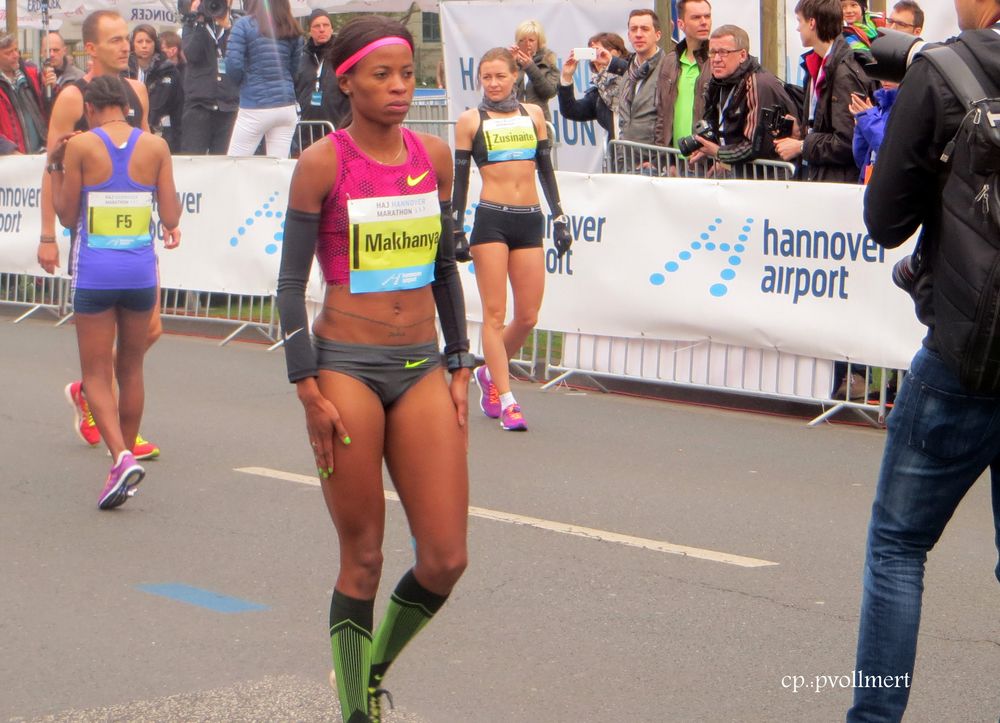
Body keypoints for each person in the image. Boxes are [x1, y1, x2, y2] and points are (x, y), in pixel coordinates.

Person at [275, 15, 474, 723]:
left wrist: (460, 362)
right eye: (382, 74)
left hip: (422, 366)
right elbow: (288, 282)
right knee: (363, 556)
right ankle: (358, 709)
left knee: (446, 556)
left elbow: (444, 265)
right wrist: (306, 386)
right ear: (346, 79)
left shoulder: (436, 158)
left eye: (408, 75)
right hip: (344, 369)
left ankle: (369, 665)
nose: (398, 88)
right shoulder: (322, 163)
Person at [847, 1, 1000, 720]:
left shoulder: (943, 70)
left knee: (898, 545)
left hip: (967, 354)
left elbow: (885, 221)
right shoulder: (937, 67)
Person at [47, 75, 180, 510]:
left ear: (89, 108)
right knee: (133, 369)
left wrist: (55, 163)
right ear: (126, 104)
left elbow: (67, 216)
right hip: (141, 272)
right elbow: (171, 212)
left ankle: (120, 456)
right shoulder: (155, 147)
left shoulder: (82, 147)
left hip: (95, 273)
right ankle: (123, 458)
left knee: (96, 374)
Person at [36, 10, 161, 461]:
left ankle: (91, 391)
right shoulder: (73, 97)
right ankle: (113, 426)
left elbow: (145, 152)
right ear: (90, 48)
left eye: (126, 38)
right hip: (91, 233)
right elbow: (51, 164)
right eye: (114, 40)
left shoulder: (139, 90)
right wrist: (48, 234)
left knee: (150, 329)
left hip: (138, 233)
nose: (125, 46)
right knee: (120, 337)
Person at [453, 47, 572, 431]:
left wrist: (560, 216)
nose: (493, 83)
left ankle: (489, 372)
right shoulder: (471, 120)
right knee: (494, 314)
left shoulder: (533, 115)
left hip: (529, 220)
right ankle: (507, 399)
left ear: (514, 77)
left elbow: (545, 170)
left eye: (499, 76)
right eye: (486, 77)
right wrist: (455, 227)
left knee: (528, 316)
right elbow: (461, 181)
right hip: (492, 221)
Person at [775, 0, 877, 183]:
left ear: (812, 23)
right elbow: (823, 126)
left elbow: (847, 142)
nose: (798, 28)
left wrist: (802, 146)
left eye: (800, 21)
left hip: (840, 183)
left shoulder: (844, 71)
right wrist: (801, 131)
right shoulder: (817, 63)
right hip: (821, 176)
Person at [688, 25, 799, 174]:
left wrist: (718, 153)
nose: (716, 59)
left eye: (723, 52)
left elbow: (755, 146)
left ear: (742, 55)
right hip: (741, 174)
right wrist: (709, 149)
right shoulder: (718, 81)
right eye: (712, 52)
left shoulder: (758, 83)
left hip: (768, 179)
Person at [225, 0, 303, 158]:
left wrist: (243, 84)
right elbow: (295, 68)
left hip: (255, 105)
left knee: (235, 162)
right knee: (278, 164)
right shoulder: (293, 27)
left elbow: (233, 64)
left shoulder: (244, 24)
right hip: (286, 105)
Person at [180, 0, 239, 155]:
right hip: (199, 106)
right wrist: (199, 21)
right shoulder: (191, 25)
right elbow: (192, 55)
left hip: (228, 106)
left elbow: (240, 56)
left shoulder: (237, 25)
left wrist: (228, 27)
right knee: (193, 159)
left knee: (224, 162)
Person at [654, 0, 712, 148]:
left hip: (706, 161)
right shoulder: (669, 61)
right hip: (674, 160)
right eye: (696, 17)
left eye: (707, 16)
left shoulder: (717, 61)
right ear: (681, 24)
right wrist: (663, 157)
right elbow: (661, 114)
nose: (704, 22)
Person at [294, 9, 349, 151]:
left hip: (337, 125)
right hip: (307, 129)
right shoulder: (301, 57)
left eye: (325, 25)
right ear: (310, 31)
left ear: (332, 28)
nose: (322, 29)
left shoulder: (342, 54)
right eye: (317, 26)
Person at [556, 31, 627, 138]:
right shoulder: (600, 95)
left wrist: (611, 62)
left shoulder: (633, 79)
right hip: (619, 152)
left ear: (616, 52)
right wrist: (566, 77)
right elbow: (571, 111)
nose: (597, 59)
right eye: (593, 55)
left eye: (599, 52)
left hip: (643, 151)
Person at [128, 25, 182, 153]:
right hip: (129, 129)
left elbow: (170, 103)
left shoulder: (168, 70)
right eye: (140, 42)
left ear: (155, 44)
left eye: (148, 41)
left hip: (161, 130)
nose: (144, 45)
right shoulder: (124, 69)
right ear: (133, 44)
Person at [0, 31, 47, 155]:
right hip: (10, 159)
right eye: (8, 53)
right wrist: (9, 150)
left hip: (39, 153)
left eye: (16, 49)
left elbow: (47, 109)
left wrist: (51, 89)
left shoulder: (32, 74)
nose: (15, 55)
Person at [510, 19, 558, 122]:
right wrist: (511, 65)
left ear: (539, 42)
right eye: (522, 40)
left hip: (539, 123)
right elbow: (505, 93)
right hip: (514, 122)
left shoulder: (547, 61)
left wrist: (530, 67)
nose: (527, 44)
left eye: (531, 40)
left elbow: (550, 92)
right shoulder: (511, 62)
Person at [158, 30, 185, 150]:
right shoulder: (158, 70)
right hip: (164, 125)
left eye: (161, 50)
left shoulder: (186, 72)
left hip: (182, 126)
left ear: (173, 50)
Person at [42, 31, 85, 98]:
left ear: (64, 51)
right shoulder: (37, 79)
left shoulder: (79, 77)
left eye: (56, 50)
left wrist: (55, 89)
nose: (51, 54)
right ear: (42, 52)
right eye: (48, 50)